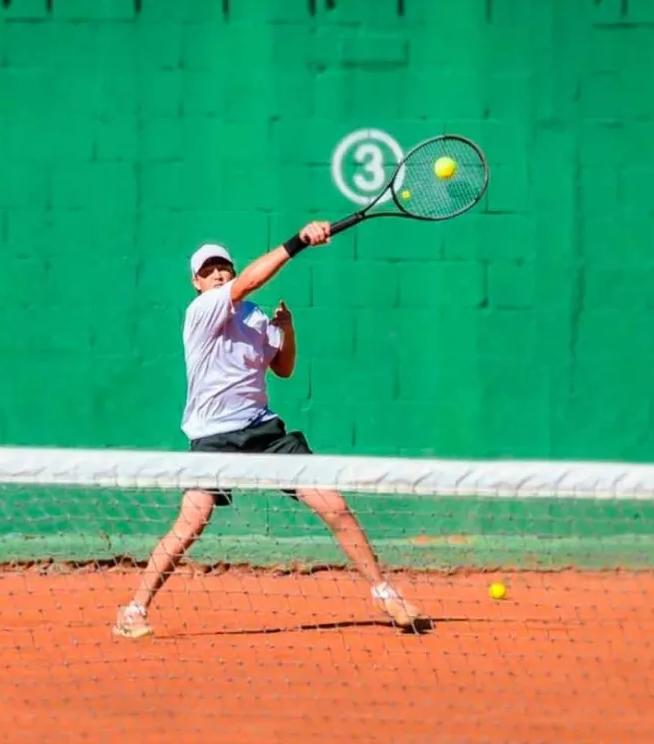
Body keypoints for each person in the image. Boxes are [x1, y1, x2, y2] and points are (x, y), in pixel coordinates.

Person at [112, 221, 425, 639]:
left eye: (224, 266)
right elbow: (247, 283)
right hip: (213, 437)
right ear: (197, 282)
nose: (219, 274)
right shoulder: (202, 312)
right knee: (193, 519)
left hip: (263, 431)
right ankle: (134, 609)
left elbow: (284, 368)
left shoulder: (256, 318)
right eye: (210, 271)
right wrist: (298, 242)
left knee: (332, 505)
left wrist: (289, 331)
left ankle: (386, 594)